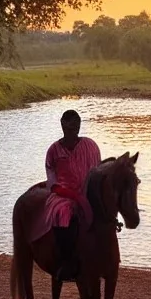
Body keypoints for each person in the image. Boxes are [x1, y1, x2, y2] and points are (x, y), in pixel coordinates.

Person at [45, 110, 101, 281]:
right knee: (63, 213)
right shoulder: (54, 151)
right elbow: (52, 181)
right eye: (69, 129)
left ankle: (105, 257)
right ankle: (67, 260)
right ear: (62, 126)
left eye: (76, 129)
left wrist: (90, 195)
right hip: (63, 194)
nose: (73, 132)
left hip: (87, 191)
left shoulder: (90, 146)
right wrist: (74, 197)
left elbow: (97, 172)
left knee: (105, 212)